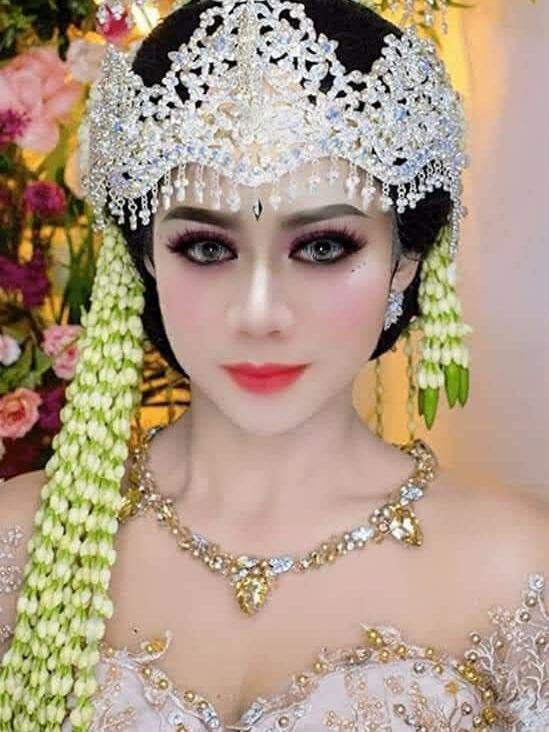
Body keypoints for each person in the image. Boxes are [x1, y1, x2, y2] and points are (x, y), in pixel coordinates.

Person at [1, 0, 548, 729]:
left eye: (322, 247)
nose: (259, 313)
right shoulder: (23, 544)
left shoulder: (518, 568)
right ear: (146, 259)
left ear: (405, 260)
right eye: (206, 247)